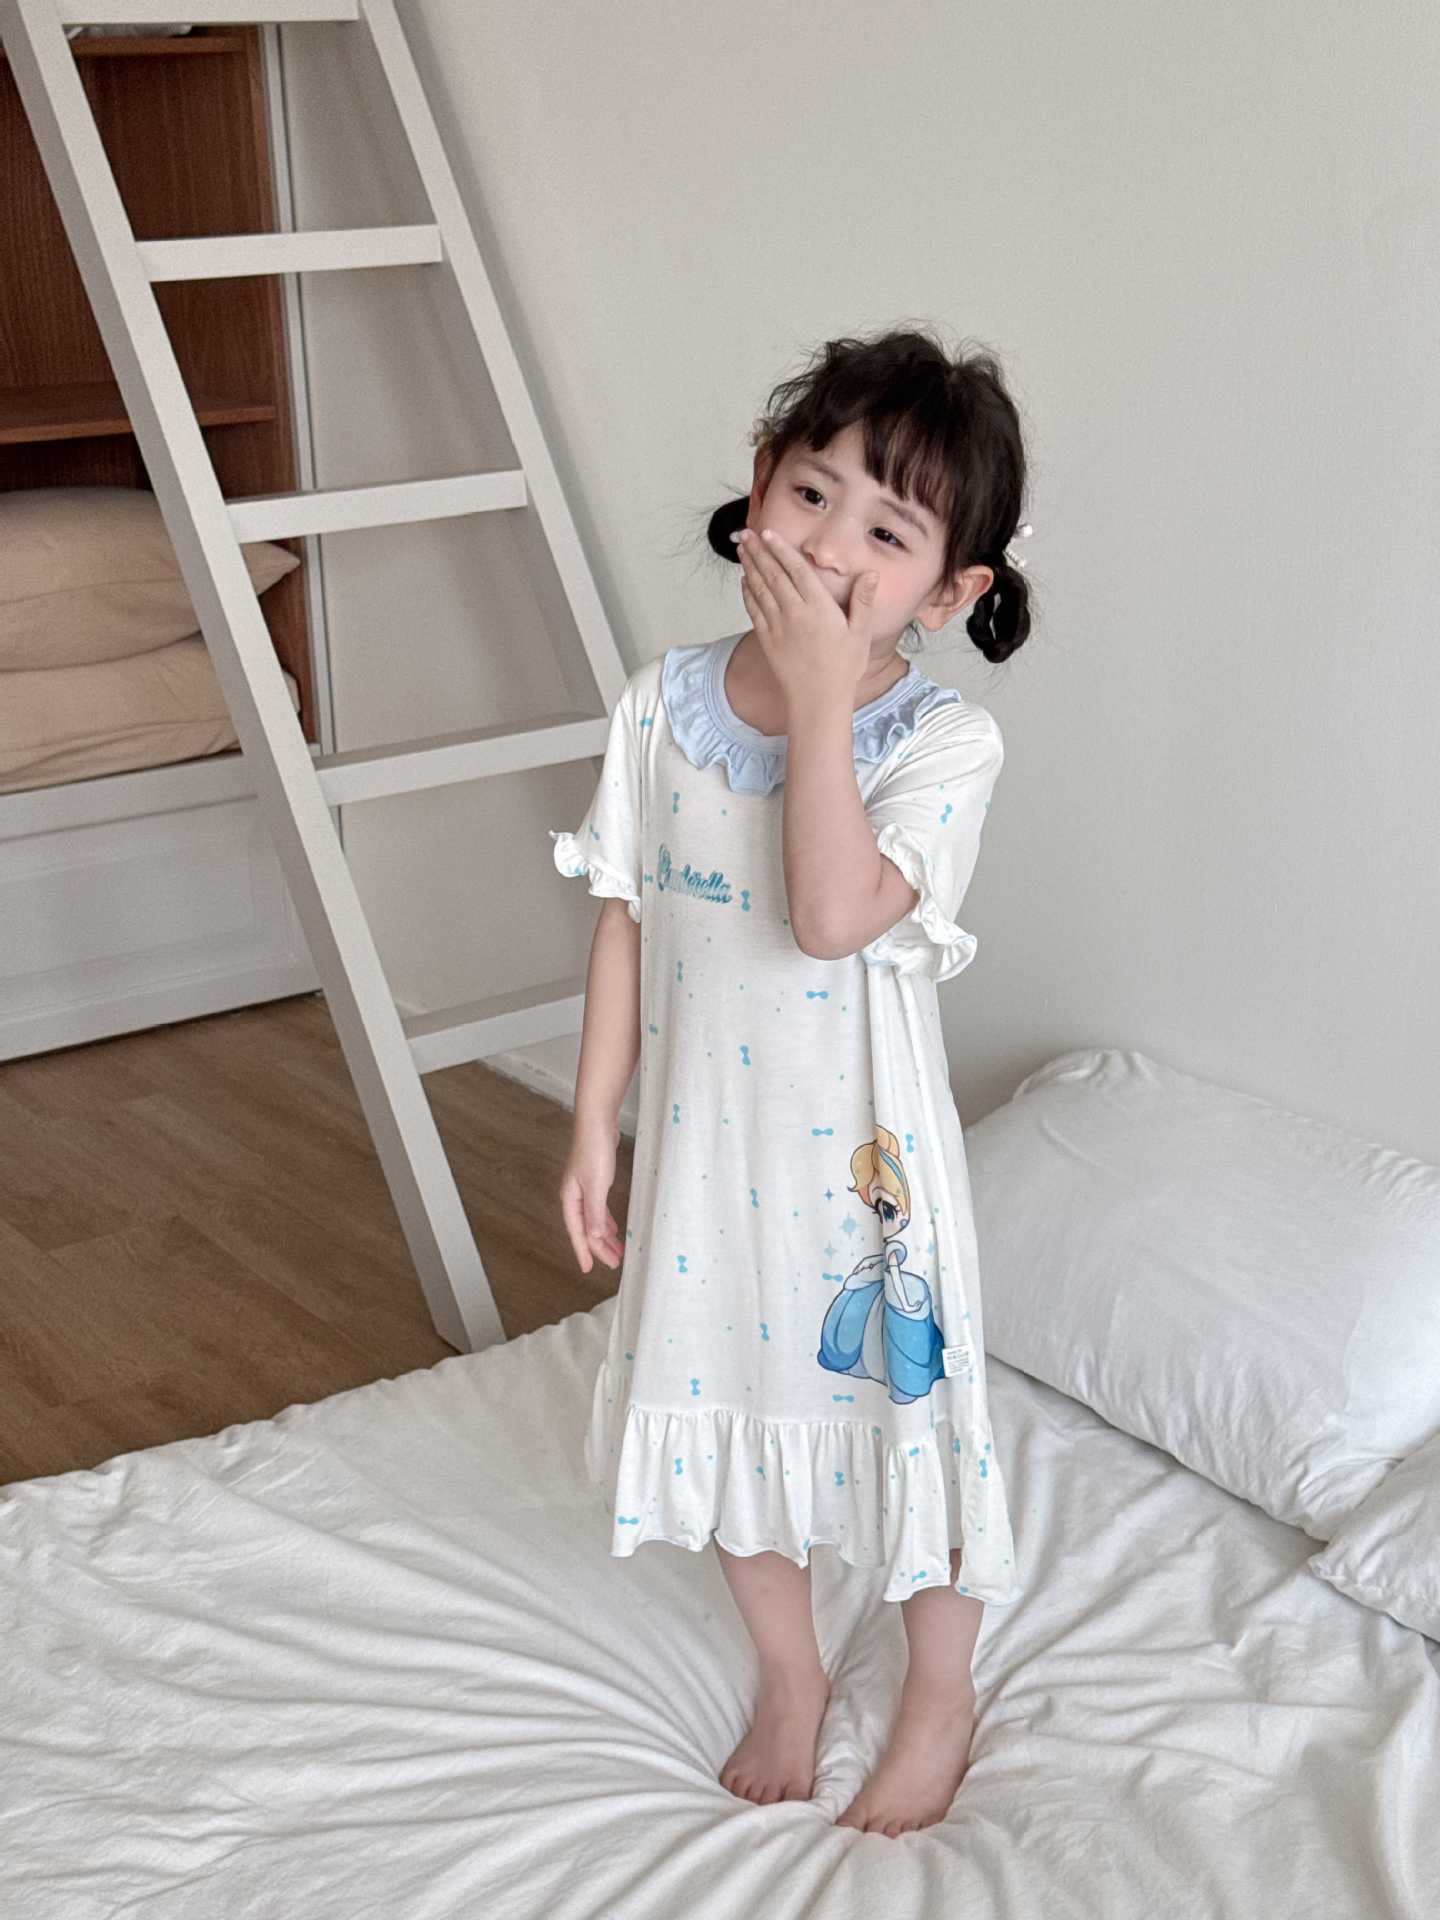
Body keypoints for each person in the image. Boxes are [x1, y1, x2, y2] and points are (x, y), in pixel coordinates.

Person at [549, 325, 1035, 1838]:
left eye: (888, 533)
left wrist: (823, 698)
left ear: (950, 594)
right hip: (709, 1160)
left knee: (910, 1429)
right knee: (720, 1399)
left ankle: (940, 1691)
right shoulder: (659, 706)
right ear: (758, 487)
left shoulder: (943, 743)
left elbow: (830, 914)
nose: (831, 547)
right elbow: (626, 918)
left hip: (867, 1180)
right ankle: (791, 1672)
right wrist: (593, 1120)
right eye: (813, 494)